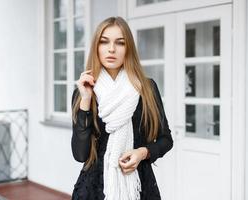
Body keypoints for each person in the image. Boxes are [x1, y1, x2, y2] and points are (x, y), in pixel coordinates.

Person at [71, 16, 173, 200]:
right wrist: (85, 101)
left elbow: (166, 139)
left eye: (120, 43)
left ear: (128, 49)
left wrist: (143, 152)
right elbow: (80, 154)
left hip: (139, 187)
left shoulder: (146, 88)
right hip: (94, 190)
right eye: (104, 42)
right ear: (96, 48)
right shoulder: (84, 91)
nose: (111, 49)